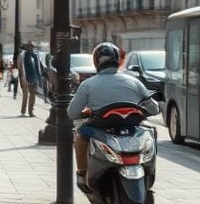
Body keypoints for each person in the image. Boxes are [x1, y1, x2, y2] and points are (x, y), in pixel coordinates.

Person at [67, 42, 159, 189]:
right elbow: (154, 108)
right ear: (117, 60)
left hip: (99, 130)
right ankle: (150, 170)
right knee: (152, 132)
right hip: (133, 130)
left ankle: (83, 175)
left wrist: (86, 113)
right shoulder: (134, 81)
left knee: (80, 136)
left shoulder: (88, 84)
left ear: (96, 62)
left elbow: (72, 113)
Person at [19, 42, 42, 117]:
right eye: (29, 47)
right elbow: (21, 67)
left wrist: (39, 79)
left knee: (32, 95)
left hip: (33, 78)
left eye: (31, 47)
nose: (31, 48)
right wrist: (22, 78)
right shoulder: (23, 55)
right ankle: (23, 111)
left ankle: (30, 111)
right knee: (25, 96)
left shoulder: (34, 56)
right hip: (25, 78)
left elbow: (38, 67)